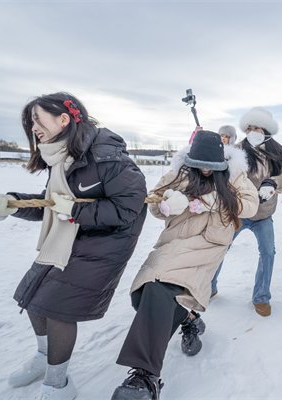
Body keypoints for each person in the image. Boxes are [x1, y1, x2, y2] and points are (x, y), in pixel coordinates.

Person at [0, 92, 148, 400]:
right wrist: (13, 205)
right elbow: (51, 206)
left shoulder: (109, 158)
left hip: (104, 244)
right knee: (31, 296)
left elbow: (127, 210)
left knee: (58, 310)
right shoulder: (61, 157)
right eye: (30, 123)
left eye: (37, 120)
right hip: (67, 238)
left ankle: (57, 384)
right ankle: (45, 357)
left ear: (64, 119)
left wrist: (74, 211)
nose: (33, 128)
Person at [111, 130, 258, 400]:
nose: (204, 170)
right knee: (144, 294)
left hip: (208, 244)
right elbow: (154, 200)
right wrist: (169, 205)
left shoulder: (235, 175)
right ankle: (189, 318)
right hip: (174, 241)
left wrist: (212, 202)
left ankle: (146, 376)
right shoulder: (180, 173)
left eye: (210, 166)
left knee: (160, 290)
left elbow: (250, 206)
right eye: (199, 164)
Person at [210, 107, 282, 317]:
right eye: (248, 128)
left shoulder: (279, 151)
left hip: (264, 213)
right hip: (238, 212)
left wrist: (272, 182)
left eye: (256, 127)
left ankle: (261, 297)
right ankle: (208, 287)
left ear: (266, 129)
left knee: (268, 253)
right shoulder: (237, 148)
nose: (252, 131)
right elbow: (223, 170)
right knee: (220, 247)